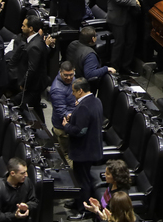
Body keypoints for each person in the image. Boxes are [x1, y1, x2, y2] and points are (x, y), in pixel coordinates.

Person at [62, 78, 103, 219]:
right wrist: (74, 117)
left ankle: (84, 210)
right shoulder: (96, 101)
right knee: (82, 178)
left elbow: (80, 131)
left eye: (74, 91)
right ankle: (78, 201)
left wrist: (66, 126)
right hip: (92, 148)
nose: (73, 94)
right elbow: (87, 121)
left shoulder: (84, 106)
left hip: (84, 151)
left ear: (80, 90)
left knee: (82, 181)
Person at [106, 0, 141, 75]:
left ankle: (126, 67)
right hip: (118, 16)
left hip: (131, 14)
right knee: (119, 43)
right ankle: (114, 69)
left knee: (131, 42)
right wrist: (133, 1)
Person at [11, 16, 49, 122]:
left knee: (22, 105)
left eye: (24, 26)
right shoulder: (35, 40)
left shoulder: (34, 46)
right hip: (36, 83)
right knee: (36, 107)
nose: (21, 27)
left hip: (33, 85)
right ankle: (42, 130)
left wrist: (24, 83)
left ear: (31, 28)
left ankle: (31, 131)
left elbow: (32, 69)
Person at [0, 157, 38, 222]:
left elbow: (34, 202)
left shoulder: (27, 182)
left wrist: (27, 206)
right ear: (12, 173)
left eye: (26, 172)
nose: (26, 175)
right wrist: (14, 216)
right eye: (22, 173)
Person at [49, 61, 76, 167]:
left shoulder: (73, 79)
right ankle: (74, 179)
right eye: (66, 75)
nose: (69, 78)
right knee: (68, 155)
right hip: (63, 127)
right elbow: (62, 112)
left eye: (71, 75)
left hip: (69, 122)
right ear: (60, 72)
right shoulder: (57, 90)